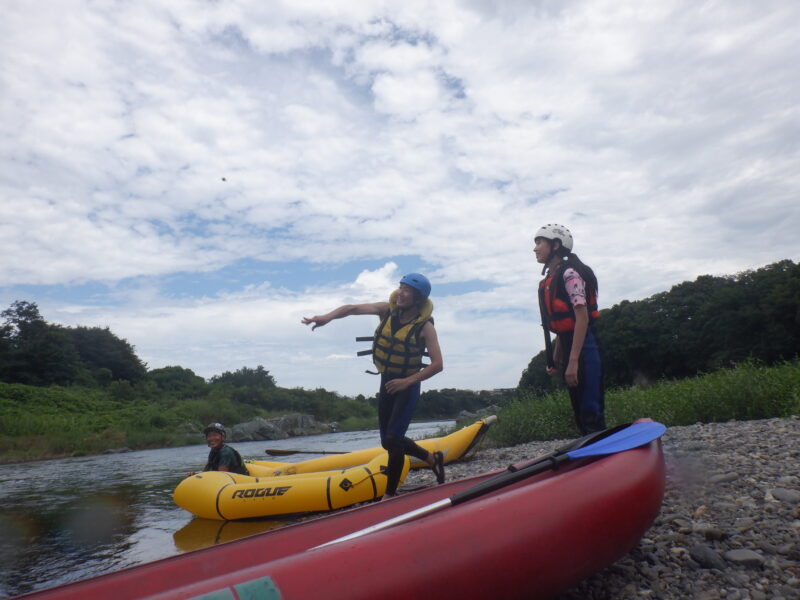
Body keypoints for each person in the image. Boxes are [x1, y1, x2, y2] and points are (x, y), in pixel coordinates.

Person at [301, 273, 445, 498]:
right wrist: (326, 317)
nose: (400, 292)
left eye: (407, 290)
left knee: (393, 440)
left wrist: (407, 381)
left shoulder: (425, 327)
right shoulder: (386, 311)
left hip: (407, 386)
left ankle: (390, 494)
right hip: (386, 381)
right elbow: (351, 309)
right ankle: (431, 458)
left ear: (418, 299)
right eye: (400, 287)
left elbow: (437, 364)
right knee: (388, 442)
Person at [533, 224, 606, 435]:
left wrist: (573, 361)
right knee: (579, 410)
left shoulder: (570, 274)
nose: (535, 248)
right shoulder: (549, 279)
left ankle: (602, 450)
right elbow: (562, 328)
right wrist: (556, 359)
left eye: (539, 242)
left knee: (590, 408)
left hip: (586, 347)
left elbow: (581, 318)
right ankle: (591, 453)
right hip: (569, 346)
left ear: (556, 245)